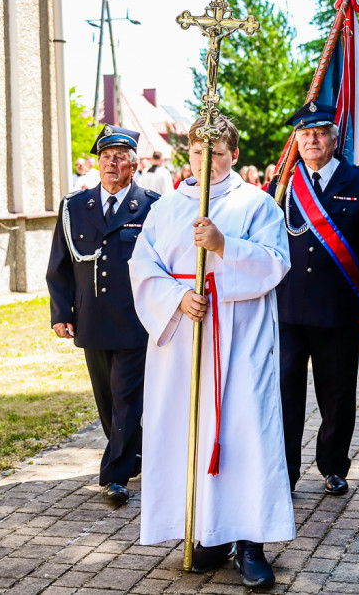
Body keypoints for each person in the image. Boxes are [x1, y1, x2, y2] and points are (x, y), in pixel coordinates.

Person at [128, 115, 293, 588]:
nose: (208, 162)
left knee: (244, 433)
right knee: (190, 430)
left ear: (234, 155)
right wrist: (177, 298)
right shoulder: (168, 207)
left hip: (241, 340)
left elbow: (275, 262)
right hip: (184, 338)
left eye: (218, 153)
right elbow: (143, 264)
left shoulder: (256, 204)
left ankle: (250, 541)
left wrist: (224, 245)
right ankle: (208, 532)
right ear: (189, 156)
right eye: (199, 153)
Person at [268, 101, 359, 496]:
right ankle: (285, 471)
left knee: (337, 396)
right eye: (304, 134)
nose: (312, 140)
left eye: (319, 133)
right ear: (296, 140)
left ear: (335, 138)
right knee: (286, 395)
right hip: (287, 309)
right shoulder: (281, 185)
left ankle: (334, 464)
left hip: (338, 308)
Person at [46, 125, 160, 505]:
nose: (112, 163)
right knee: (106, 400)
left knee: (126, 395)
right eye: (106, 156)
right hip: (91, 319)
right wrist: (61, 312)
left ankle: (115, 477)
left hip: (136, 320)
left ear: (135, 164)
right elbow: (59, 266)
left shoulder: (152, 206)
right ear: (97, 163)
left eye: (120, 157)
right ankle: (134, 451)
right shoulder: (75, 207)